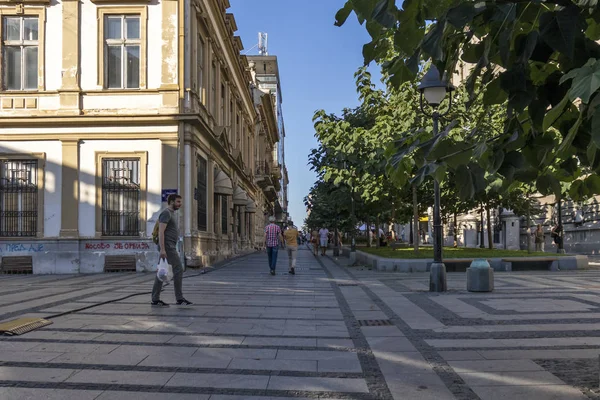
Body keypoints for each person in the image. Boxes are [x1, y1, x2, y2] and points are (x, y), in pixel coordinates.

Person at [151, 194, 192, 306]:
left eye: (180, 201)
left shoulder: (172, 214)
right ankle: (179, 298)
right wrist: (163, 249)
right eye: (178, 202)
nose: (180, 204)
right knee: (178, 268)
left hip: (170, 246)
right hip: (167, 246)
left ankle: (155, 298)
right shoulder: (166, 213)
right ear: (172, 202)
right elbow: (161, 232)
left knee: (162, 271)